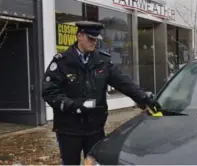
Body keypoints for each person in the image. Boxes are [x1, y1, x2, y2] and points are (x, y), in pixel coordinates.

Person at [42, 20, 161, 165]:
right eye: (90, 39)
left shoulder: (102, 61)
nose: (94, 43)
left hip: (95, 129)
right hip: (69, 129)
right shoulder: (62, 62)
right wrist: (72, 105)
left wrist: (144, 98)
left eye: (96, 39)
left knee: (96, 163)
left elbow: (123, 82)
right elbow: (49, 91)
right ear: (80, 36)